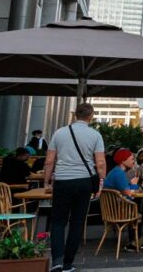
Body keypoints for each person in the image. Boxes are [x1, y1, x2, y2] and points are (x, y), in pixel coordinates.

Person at [44, 102, 106, 272]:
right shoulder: (95, 135)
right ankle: (68, 263)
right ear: (91, 116)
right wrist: (101, 183)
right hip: (84, 181)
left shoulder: (59, 133)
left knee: (58, 221)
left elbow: (49, 161)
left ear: (74, 114)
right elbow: (100, 163)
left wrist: (47, 181)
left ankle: (57, 260)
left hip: (62, 180)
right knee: (77, 222)